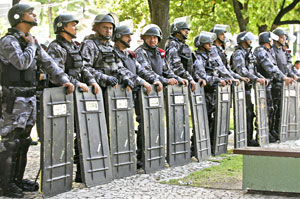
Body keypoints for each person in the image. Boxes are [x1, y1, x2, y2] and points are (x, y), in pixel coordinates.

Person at [0, 4, 74, 198]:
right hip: (13, 100)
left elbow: (48, 63)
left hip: (30, 98)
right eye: (30, 13)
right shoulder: (8, 42)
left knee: (24, 141)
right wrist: (32, 44)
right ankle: (5, 184)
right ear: (18, 17)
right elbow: (22, 62)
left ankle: (17, 180)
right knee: (11, 142)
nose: (34, 15)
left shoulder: (30, 41)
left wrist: (64, 80)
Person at [46, 14, 101, 183]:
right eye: (72, 25)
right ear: (62, 27)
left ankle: (80, 172)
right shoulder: (55, 48)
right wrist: (78, 83)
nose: (75, 27)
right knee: (61, 135)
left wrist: (91, 81)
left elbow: (83, 67)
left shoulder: (74, 46)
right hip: (60, 97)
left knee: (80, 131)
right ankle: (58, 177)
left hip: (76, 96)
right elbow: (57, 74)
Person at [113, 24, 163, 169]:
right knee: (120, 127)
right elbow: (122, 71)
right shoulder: (113, 53)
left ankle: (139, 157)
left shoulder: (128, 54)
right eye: (127, 35)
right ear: (118, 36)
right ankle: (121, 162)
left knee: (141, 124)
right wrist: (142, 82)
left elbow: (141, 70)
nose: (130, 38)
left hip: (133, 95)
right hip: (119, 96)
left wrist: (155, 79)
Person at [193, 31, 232, 150]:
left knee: (214, 120)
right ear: (201, 44)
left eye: (211, 43)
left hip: (214, 92)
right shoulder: (198, 57)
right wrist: (218, 80)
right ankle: (196, 146)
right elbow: (201, 75)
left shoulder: (211, 55)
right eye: (208, 44)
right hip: (205, 92)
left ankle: (211, 144)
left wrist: (229, 78)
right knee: (203, 120)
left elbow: (221, 68)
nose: (210, 46)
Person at [253, 31, 294, 142]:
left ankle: (269, 132)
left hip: (268, 85)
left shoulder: (268, 51)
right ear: (267, 40)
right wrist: (283, 77)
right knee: (264, 110)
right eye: (271, 39)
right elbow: (269, 67)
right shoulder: (261, 51)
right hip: (264, 85)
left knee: (271, 110)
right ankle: (261, 134)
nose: (272, 41)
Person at [80, 13, 135, 92]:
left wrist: (125, 78)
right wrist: (106, 78)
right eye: (105, 27)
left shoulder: (110, 47)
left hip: (111, 91)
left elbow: (119, 67)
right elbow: (85, 68)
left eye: (110, 28)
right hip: (95, 90)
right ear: (96, 28)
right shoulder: (89, 45)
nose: (108, 31)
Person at [231, 31, 267, 146]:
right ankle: (244, 139)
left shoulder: (248, 53)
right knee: (244, 113)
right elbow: (241, 70)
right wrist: (255, 79)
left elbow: (253, 70)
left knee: (250, 113)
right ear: (243, 41)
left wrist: (261, 77)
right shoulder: (238, 53)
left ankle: (249, 138)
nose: (251, 41)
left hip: (248, 88)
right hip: (240, 89)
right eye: (248, 39)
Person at [271, 28, 298, 139]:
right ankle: (272, 131)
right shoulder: (272, 50)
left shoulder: (282, 51)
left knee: (281, 109)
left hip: (283, 84)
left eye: (284, 37)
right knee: (273, 109)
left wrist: (292, 75)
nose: (284, 39)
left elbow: (287, 67)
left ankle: (278, 130)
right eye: (282, 37)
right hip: (275, 83)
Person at [164, 20, 199, 91]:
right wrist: (189, 78)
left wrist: (196, 78)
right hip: (178, 84)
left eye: (187, 30)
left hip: (186, 82)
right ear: (176, 31)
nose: (187, 32)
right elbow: (176, 65)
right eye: (183, 29)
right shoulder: (173, 44)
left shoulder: (183, 45)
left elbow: (192, 66)